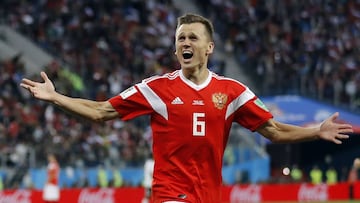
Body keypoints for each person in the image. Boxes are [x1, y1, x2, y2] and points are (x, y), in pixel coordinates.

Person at [20, 13, 354, 203]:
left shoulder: (232, 91)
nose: (184, 43)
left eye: (192, 38)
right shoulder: (157, 88)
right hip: (169, 196)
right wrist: (56, 97)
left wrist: (316, 131)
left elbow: (275, 131)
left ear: (208, 47)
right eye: (180, 38)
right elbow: (100, 111)